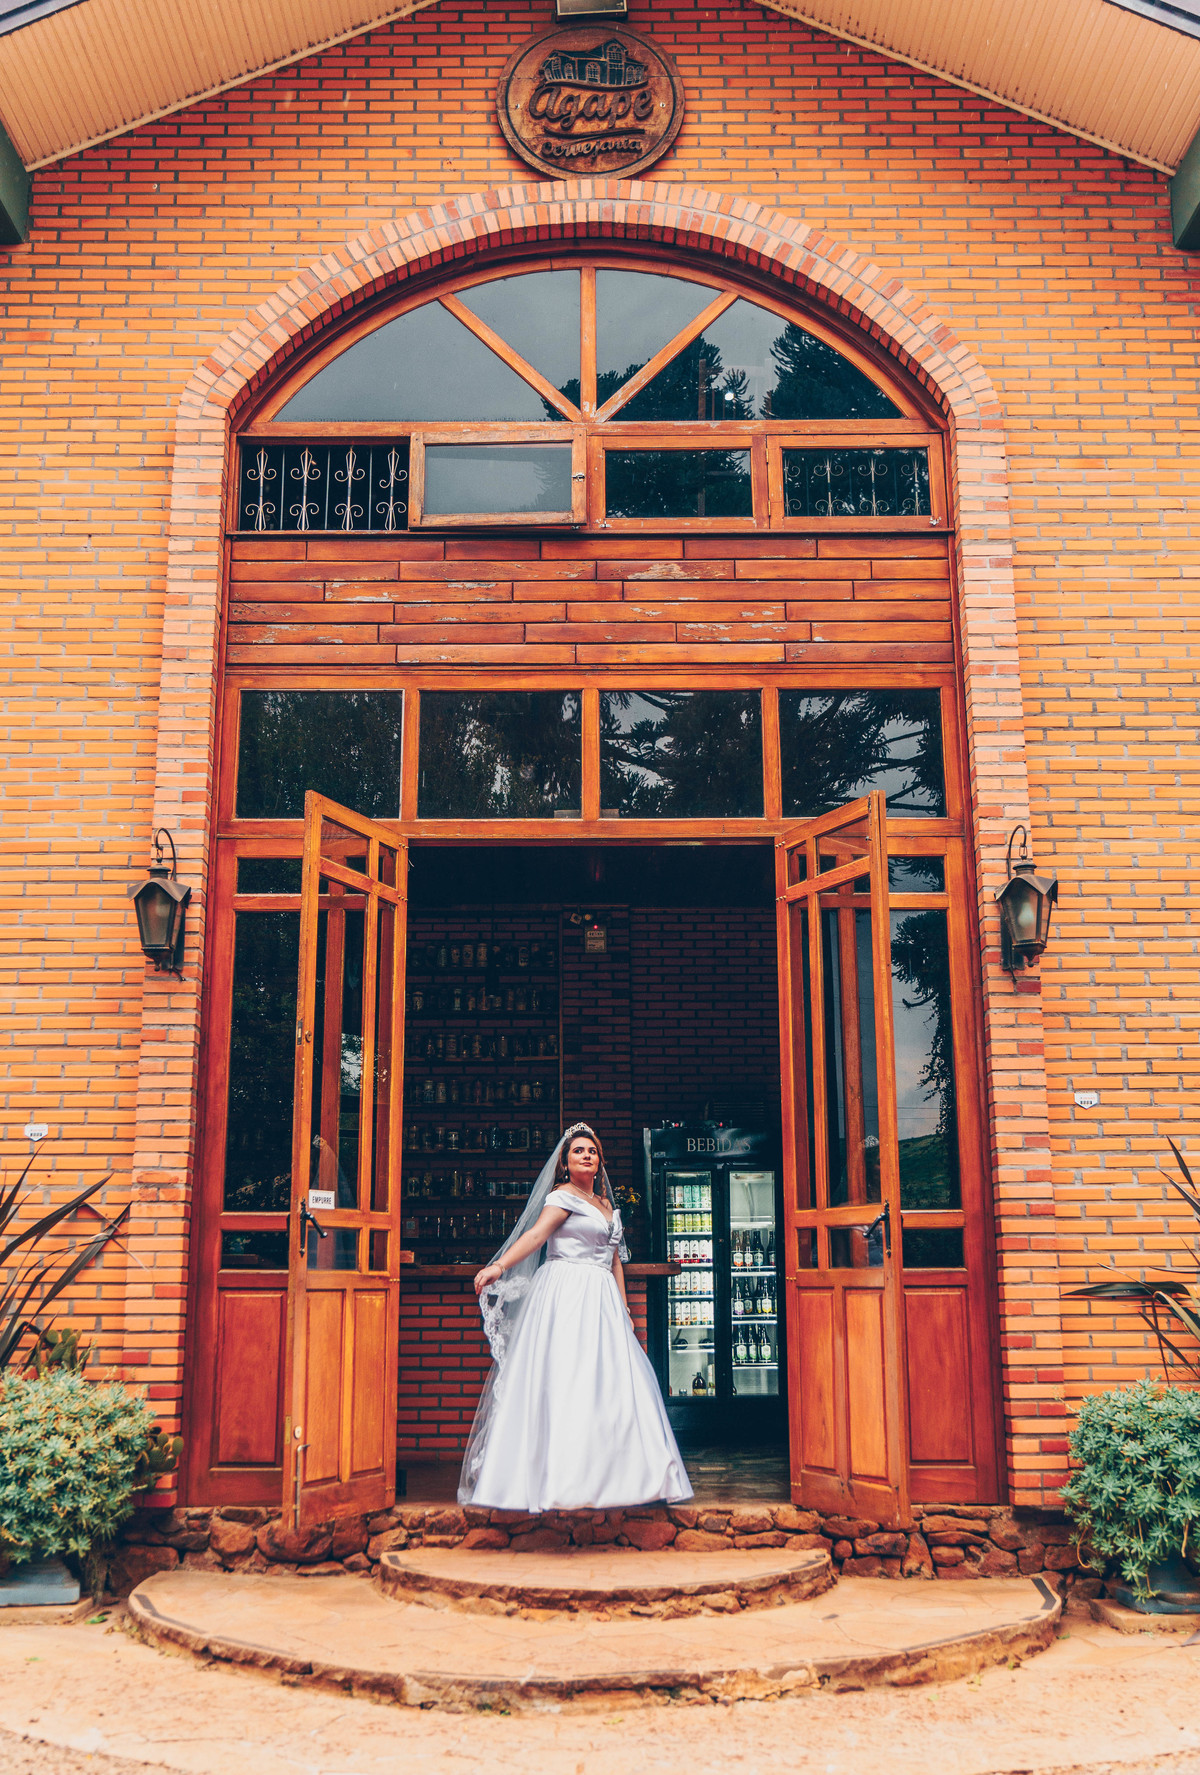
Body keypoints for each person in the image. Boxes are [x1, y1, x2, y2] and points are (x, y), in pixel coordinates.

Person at [457, 1122, 692, 1512]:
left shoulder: (606, 1205)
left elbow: (615, 1260)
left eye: (592, 1151)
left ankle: (622, 1477)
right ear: (565, 1163)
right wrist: (498, 1267)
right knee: (567, 1377)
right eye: (578, 1151)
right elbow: (534, 1238)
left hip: (601, 1297)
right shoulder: (562, 1197)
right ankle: (559, 1480)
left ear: (599, 1162)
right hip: (566, 1293)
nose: (586, 1155)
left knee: (612, 1383)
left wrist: (624, 1307)